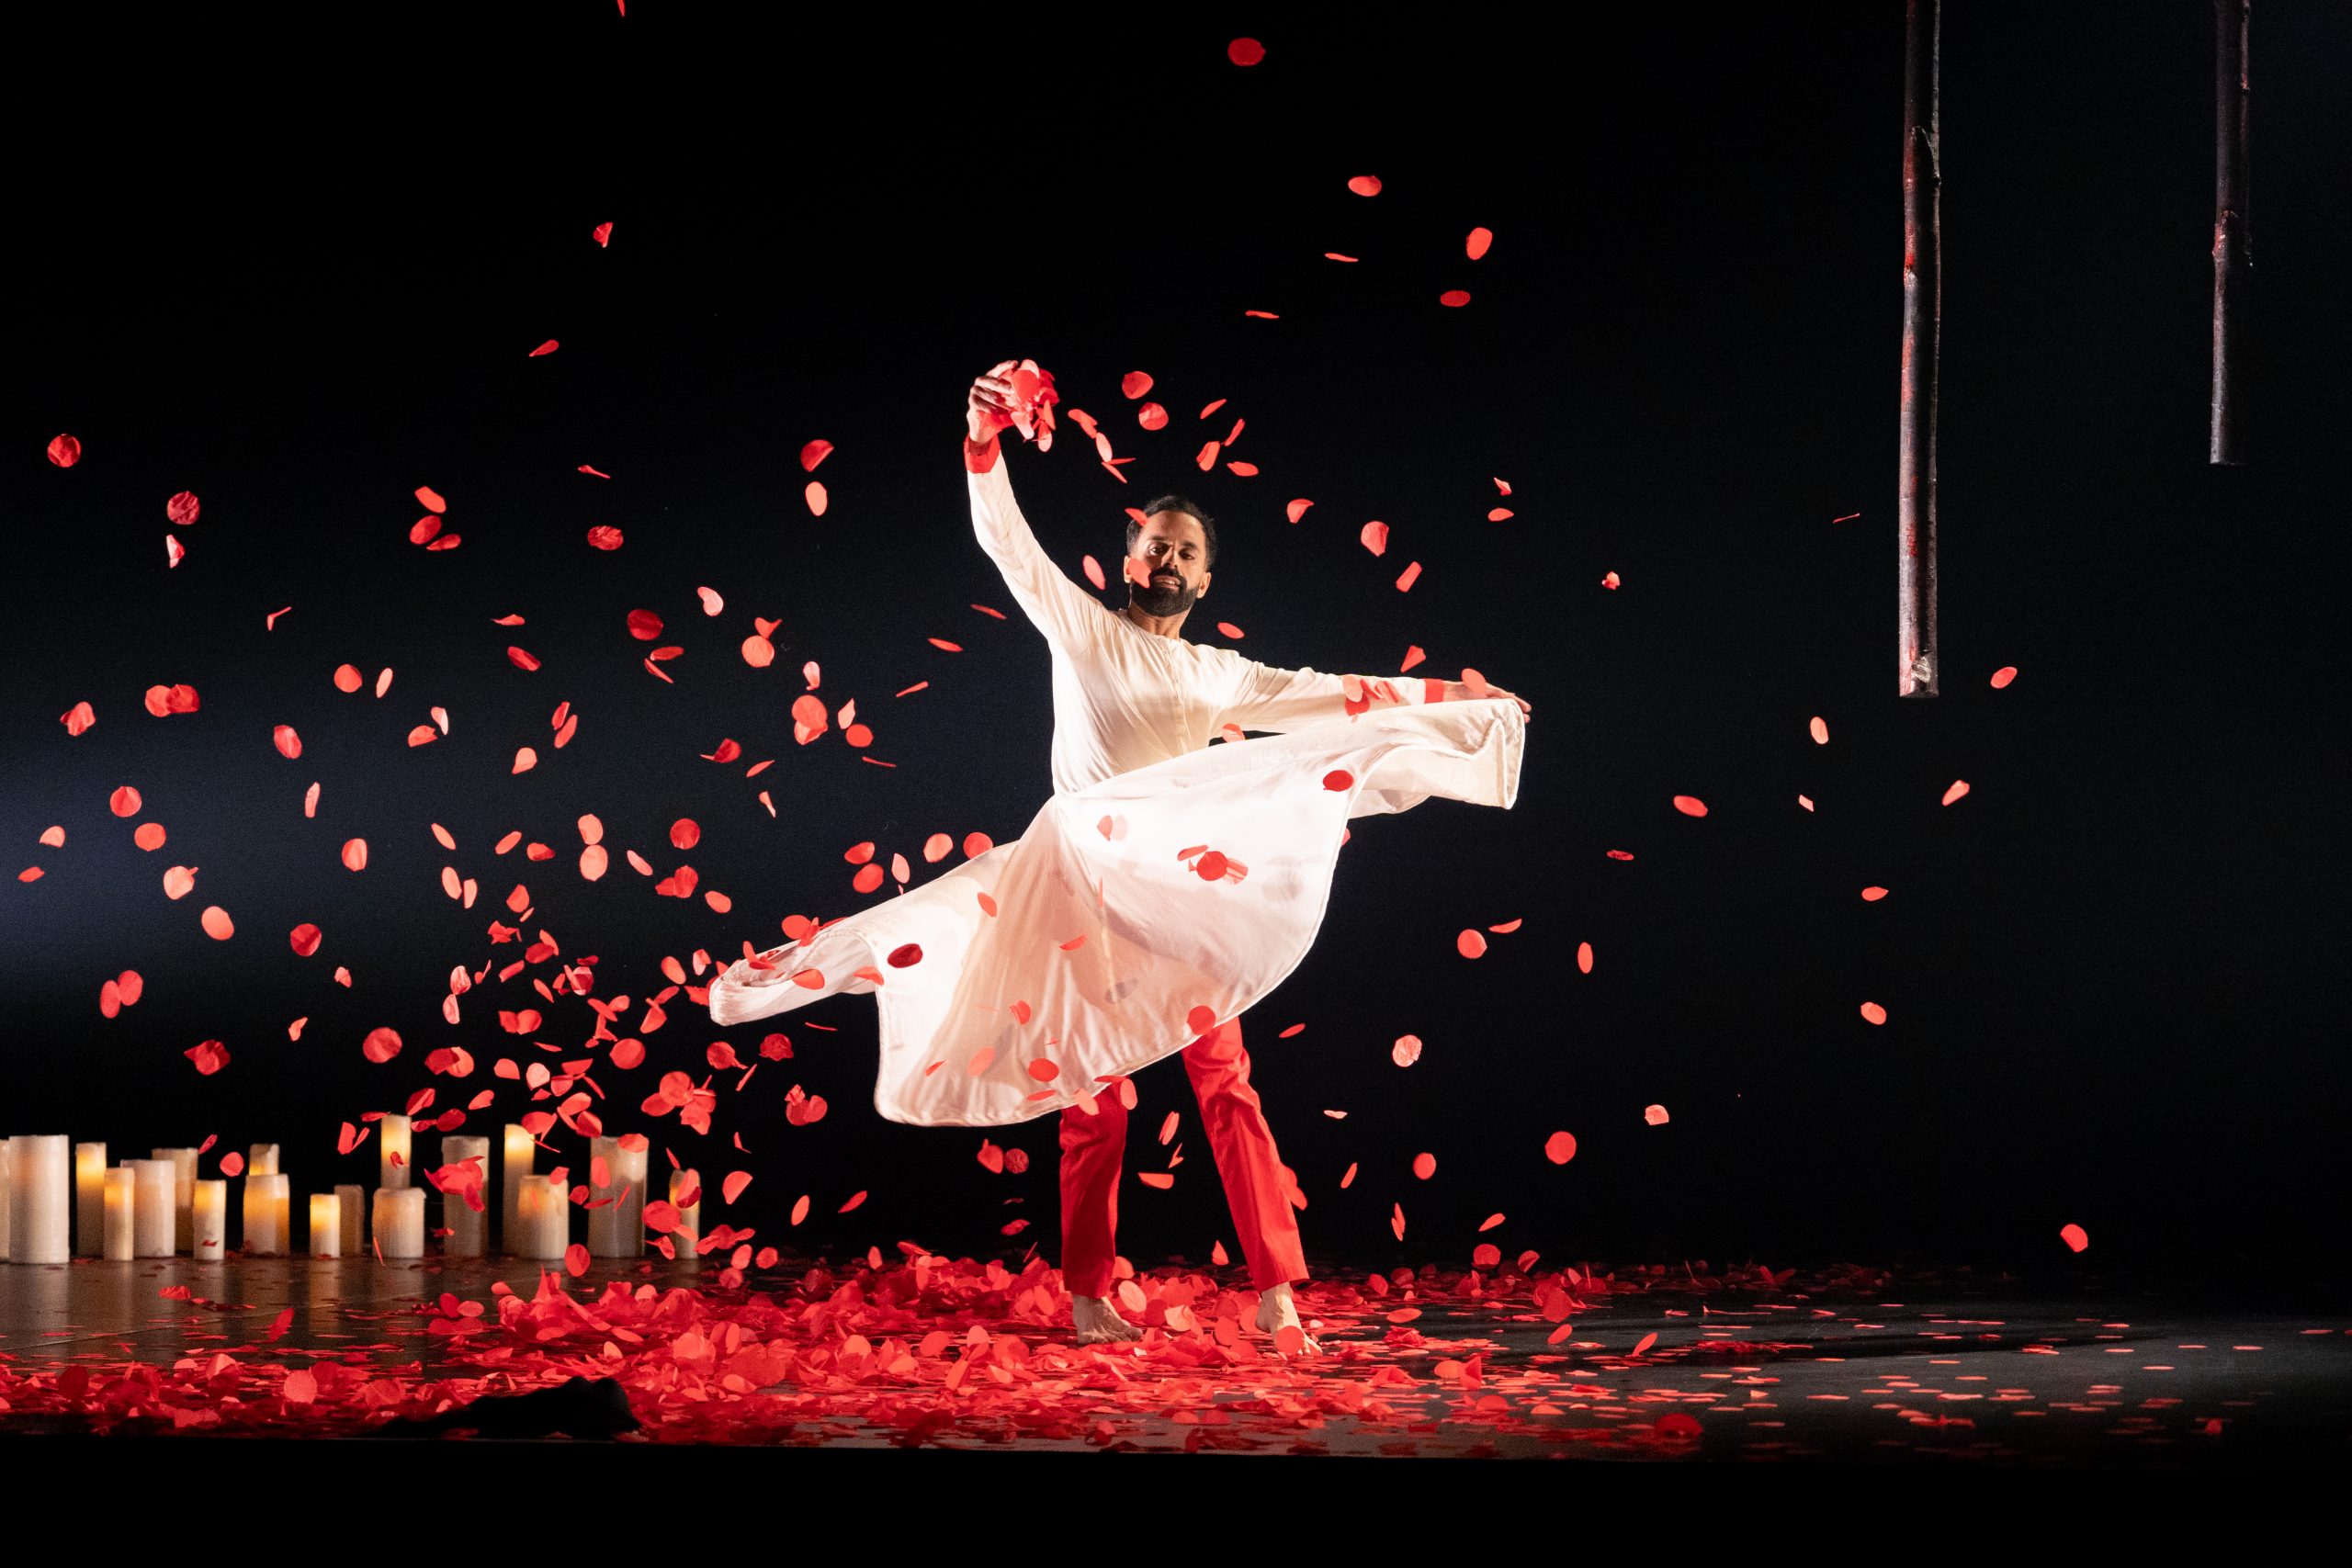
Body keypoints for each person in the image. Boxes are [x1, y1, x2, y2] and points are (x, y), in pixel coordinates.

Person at [705, 360, 1528, 1354]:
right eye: (1154, 544)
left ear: (1205, 578)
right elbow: (1004, 543)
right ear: (1129, 560)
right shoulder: (1086, 632)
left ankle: (1279, 1295)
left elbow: (1335, 695)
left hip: (1176, 903)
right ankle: (1088, 1291)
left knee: (1226, 1087)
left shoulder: (1220, 671)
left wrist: (1458, 702)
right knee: (1090, 1105)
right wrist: (982, 442)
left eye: (1185, 551)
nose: (1168, 559)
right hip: (1080, 898)